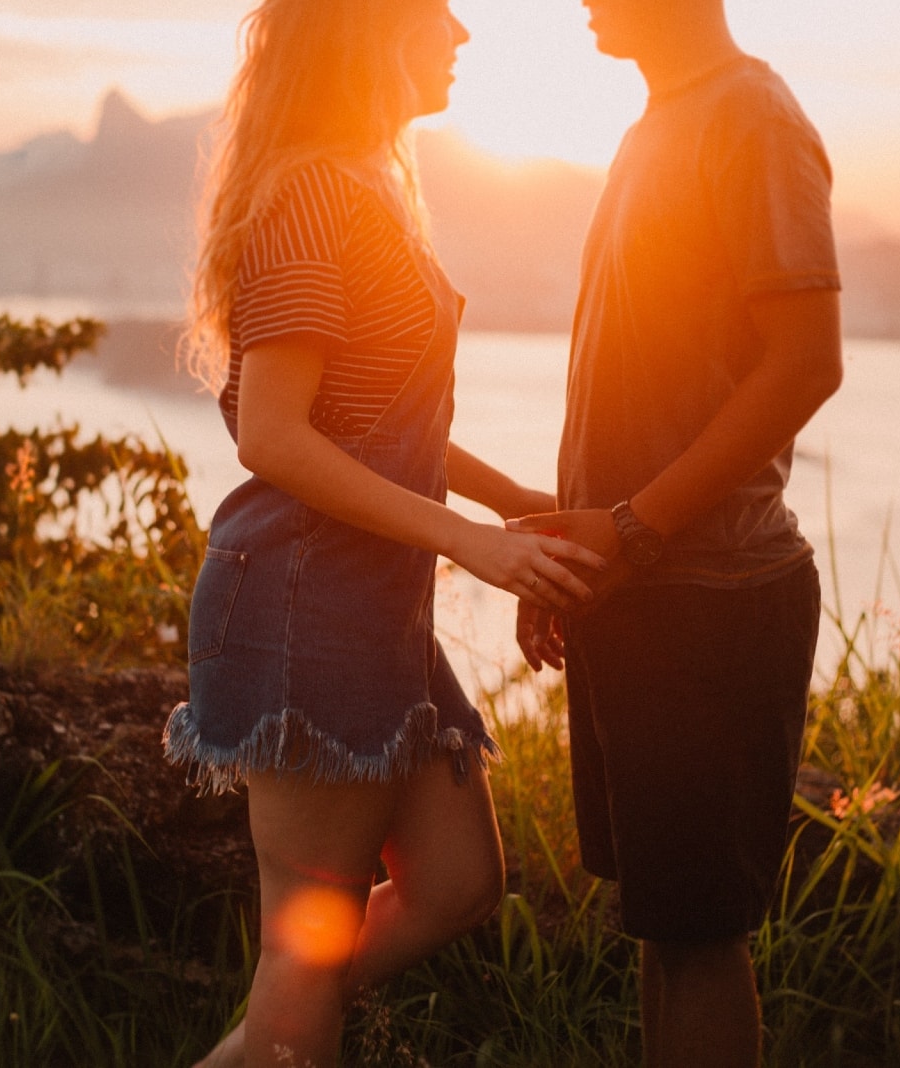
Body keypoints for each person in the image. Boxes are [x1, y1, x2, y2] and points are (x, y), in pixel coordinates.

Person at [162, 2, 606, 1065]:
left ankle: (274, 1022)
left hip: (367, 606)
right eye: (438, 15)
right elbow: (273, 434)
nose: (461, 36)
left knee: (455, 885)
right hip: (302, 604)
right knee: (301, 969)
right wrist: (471, 544)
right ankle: (280, 1021)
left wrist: (515, 507)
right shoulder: (314, 193)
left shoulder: (367, 183)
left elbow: (381, 421)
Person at [512, 0, 844, 1065]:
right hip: (635, 586)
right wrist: (571, 551)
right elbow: (625, 391)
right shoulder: (656, 124)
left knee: (701, 938)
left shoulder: (752, 117)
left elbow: (804, 362)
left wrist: (628, 531)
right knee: (662, 930)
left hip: (710, 595)